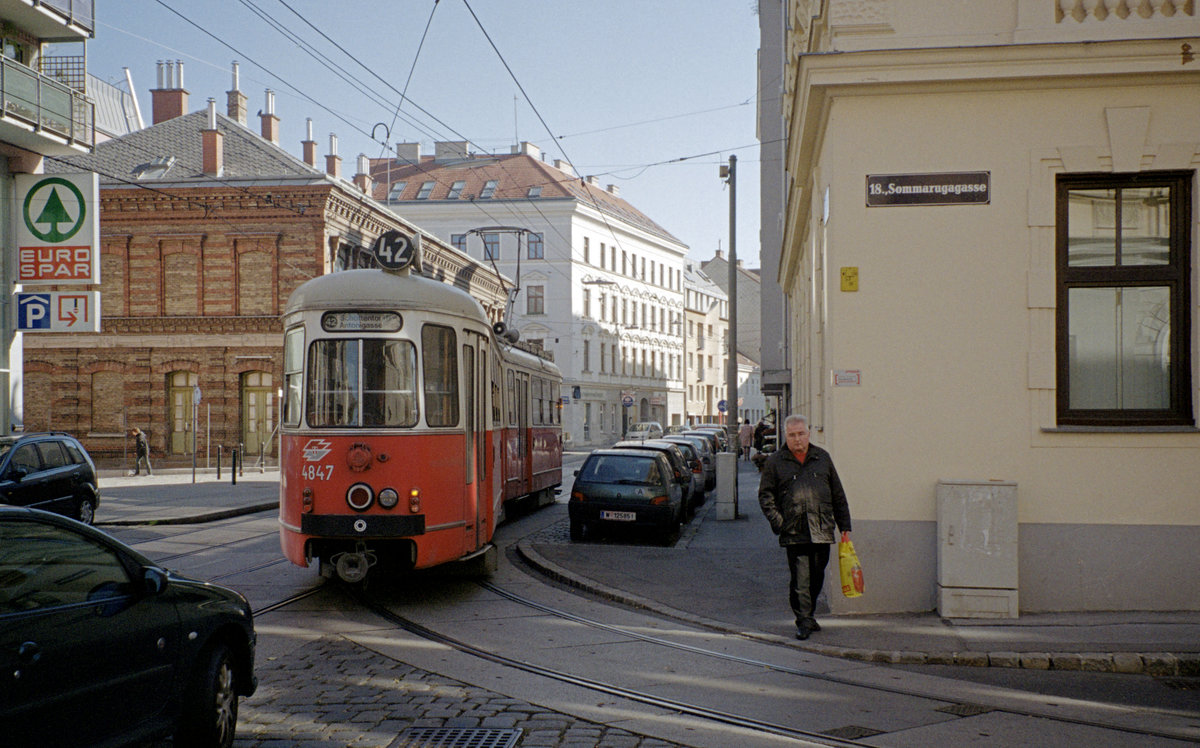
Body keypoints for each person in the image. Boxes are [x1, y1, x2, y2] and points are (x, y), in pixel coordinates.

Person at [757, 414, 851, 640]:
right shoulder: (776, 462)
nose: (797, 439)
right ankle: (803, 620)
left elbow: (838, 494)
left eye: (801, 434)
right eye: (792, 435)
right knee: (800, 579)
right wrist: (779, 522)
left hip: (821, 527)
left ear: (808, 434)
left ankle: (808, 616)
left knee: (817, 575)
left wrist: (844, 526)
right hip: (794, 529)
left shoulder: (822, 458)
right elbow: (765, 496)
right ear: (786, 436)